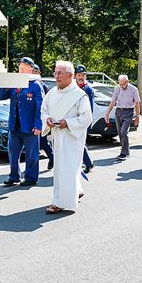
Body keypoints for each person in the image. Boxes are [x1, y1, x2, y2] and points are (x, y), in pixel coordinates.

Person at [41, 61, 92, 214]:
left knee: (67, 169)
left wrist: (68, 123)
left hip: (72, 137)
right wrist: (48, 120)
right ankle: (76, 189)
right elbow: (44, 111)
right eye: (55, 73)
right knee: (64, 168)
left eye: (60, 73)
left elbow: (86, 118)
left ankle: (59, 202)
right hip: (57, 135)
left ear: (70, 75)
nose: (56, 76)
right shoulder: (52, 93)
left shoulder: (79, 95)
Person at [0, 57, 43, 186]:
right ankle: (14, 176)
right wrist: (4, 82)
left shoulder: (35, 84)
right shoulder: (14, 83)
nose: (21, 70)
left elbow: (40, 106)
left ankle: (30, 177)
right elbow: (1, 97)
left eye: (24, 68)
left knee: (31, 154)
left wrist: (38, 124)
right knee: (12, 152)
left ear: (31, 69)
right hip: (15, 125)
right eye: (20, 68)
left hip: (29, 126)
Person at [104, 74, 141, 160]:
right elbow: (113, 102)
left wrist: (137, 117)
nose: (121, 86)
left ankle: (124, 153)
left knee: (124, 132)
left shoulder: (133, 89)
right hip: (119, 111)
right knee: (120, 133)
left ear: (127, 82)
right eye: (120, 84)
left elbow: (137, 103)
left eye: (123, 84)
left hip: (129, 112)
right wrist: (107, 114)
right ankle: (125, 150)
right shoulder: (117, 89)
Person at [74, 65, 95, 173]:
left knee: (79, 142)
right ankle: (88, 163)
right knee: (77, 142)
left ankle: (88, 163)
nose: (81, 77)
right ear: (75, 75)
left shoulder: (88, 89)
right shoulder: (72, 87)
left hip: (82, 120)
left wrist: (87, 121)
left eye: (83, 75)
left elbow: (90, 107)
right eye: (79, 75)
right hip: (72, 119)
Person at [33, 64, 53, 169]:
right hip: (32, 117)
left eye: (36, 72)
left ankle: (52, 157)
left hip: (42, 117)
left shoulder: (43, 86)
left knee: (42, 141)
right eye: (32, 72)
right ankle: (52, 157)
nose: (34, 74)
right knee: (40, 142)